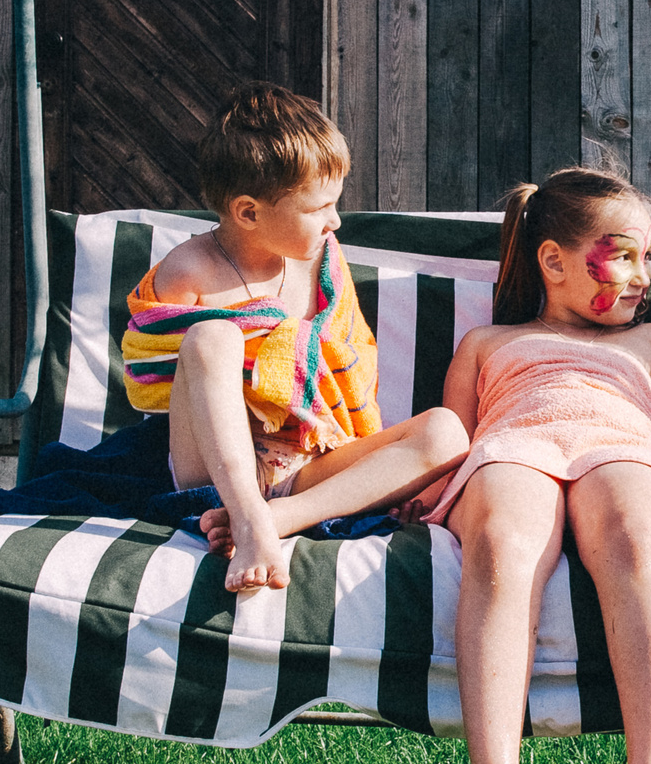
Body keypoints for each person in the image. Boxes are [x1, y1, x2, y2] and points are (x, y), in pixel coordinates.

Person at [420, 168, 651, 764]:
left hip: (619, 449)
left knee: (631, 530)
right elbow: (453, 441)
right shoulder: (487, 342)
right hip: (512, 448)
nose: (642, 277)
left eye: (648, 258)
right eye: (623, 254)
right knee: (502, 544)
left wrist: (642, 473)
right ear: (553, 261)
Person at [121, 81, 468, 593]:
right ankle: (245, 512)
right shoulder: (189, 270)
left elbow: (350, 362)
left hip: (306, 463)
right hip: (214, 468)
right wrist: (246, 351)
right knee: (211, 338)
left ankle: (278, 519)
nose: (335, 221)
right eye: (317, 209)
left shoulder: (323, 262)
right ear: (248, 212)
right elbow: (152, 377)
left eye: (335, 204)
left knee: (446, 432)